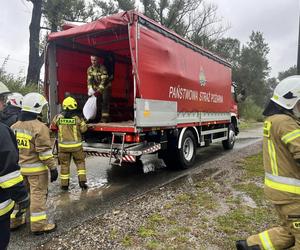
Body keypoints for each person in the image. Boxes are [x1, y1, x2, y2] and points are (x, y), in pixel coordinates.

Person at [236, 75, 300, 250]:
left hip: (281, 191)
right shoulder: (286, 123)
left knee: (289, 232)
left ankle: (250, 245)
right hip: (292, 194)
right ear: (291, 101)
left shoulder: (273, 120)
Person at [10, 92, 58, 235]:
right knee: (38, 195)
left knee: (20, 195)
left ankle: (15, 221)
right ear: (37, 108)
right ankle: (38, 226)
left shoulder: (14, 126)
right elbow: (44, 153)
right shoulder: (40, 127)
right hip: (36, 171)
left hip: (19, 170)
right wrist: (53, 168)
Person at [0, 82, 29, 249]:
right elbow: (8, 173)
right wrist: (22, 196)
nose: (4, 104)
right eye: (2, 99)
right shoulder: (2, 131)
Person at [50, 96, 88, 190]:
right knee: (80, 163)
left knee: (64, 165)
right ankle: (82, 183)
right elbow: (84, 129)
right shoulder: (78, 118)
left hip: (63, 147)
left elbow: (52, 127)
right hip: (76, 147)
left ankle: (64, 185)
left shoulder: (58, 117)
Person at [87, 55, 111, 123]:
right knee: (97, 102)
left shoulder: (102, 68)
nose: (93, 62)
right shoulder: (89, 69)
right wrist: (90, 89)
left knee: (105, 102)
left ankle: (104, 118)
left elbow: (104, 81)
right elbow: (89, 80)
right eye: (92, 60)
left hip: (106, 87)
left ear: (98, 60)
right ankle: (97, 118)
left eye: (94, 60)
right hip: (97, 87)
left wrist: (99, 90)